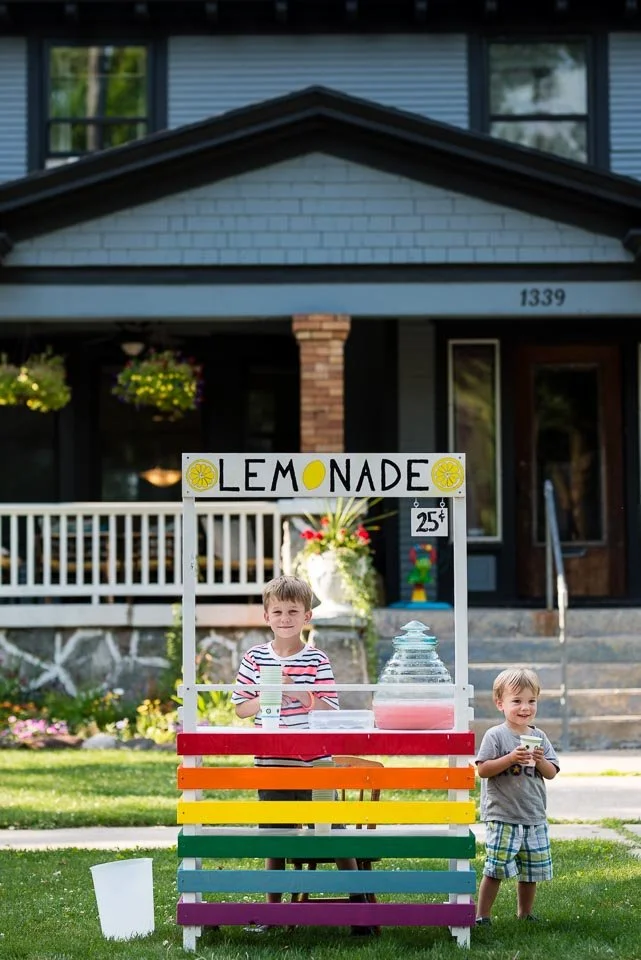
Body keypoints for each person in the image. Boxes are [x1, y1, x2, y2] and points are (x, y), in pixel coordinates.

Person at [231, 575, 360, 927]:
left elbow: (330, 711)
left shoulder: (316, 659)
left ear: (307, 617)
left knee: (331, 830)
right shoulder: (254, 657)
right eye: (278, 611)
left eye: (293, 611)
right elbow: (241, 708)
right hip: (271, 760)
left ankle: (360, 904)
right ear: (266, 616)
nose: (285, 618)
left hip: (316, 761)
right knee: (275, 835)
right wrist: (267, 692)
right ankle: (271, 912)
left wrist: (295, 688)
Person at [475, 667, 560, 926]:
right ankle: (483, 915)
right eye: (517, 701)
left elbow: (552, 772)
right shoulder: (496, 735)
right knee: (495, 868)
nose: (525, 707)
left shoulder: (539, 736)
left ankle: (525, 913)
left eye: (531, 701)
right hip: (503, 814)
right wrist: (511, 758)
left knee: (531, 870)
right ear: (500, 703)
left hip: (533, 815)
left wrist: (540, 759)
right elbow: (483, 769)